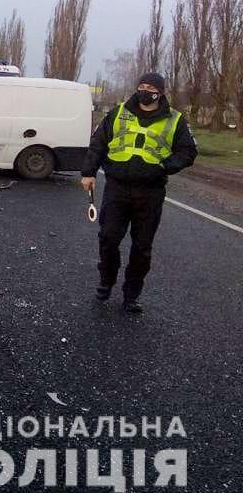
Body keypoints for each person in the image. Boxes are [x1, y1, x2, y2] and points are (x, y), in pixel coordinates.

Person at [81, 73, 197, 313]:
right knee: (109, 238)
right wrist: (88, 173)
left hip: (150, 192)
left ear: (160, 92)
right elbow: (98, 143)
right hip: (117, 188)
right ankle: (106, 283)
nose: (145, 91)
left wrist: (166, 166)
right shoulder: (119, 112)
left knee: (142, 247)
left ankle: (131, 294)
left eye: (151, 88)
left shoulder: (175, 120)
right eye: (142, 86)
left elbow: (188, 151)